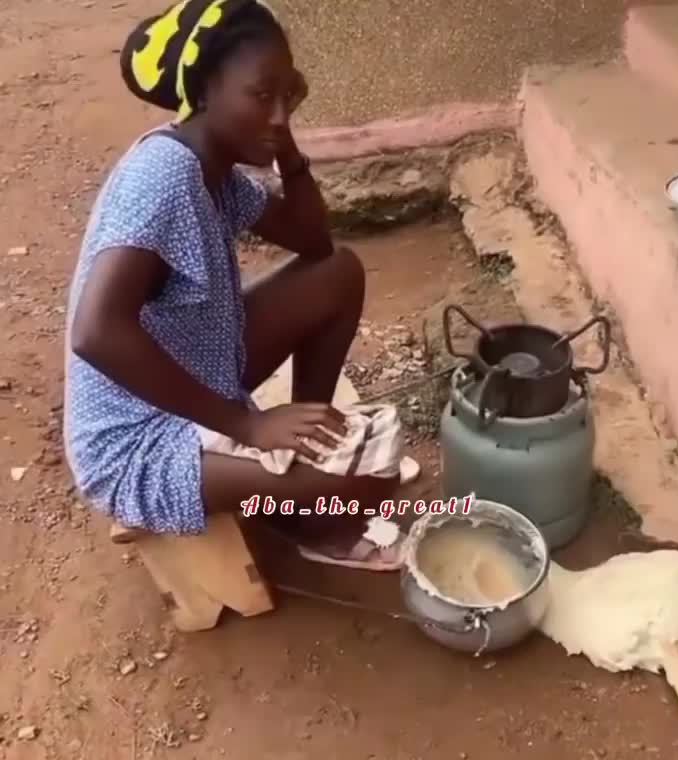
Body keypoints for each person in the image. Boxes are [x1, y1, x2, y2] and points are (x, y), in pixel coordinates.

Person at [63, 0, 415, 571]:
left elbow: (314, 242)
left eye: (288, 97)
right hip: (138, 443)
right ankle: (316, 523)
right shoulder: (165, 175)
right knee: (372, 479)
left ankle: (301, 453)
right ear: (205, 91)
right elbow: (95, 332)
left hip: (202, 371)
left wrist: (286, 145)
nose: (279, 114)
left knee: (338, 274)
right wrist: (248, 425)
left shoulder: (215, 165)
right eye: (261, 95)